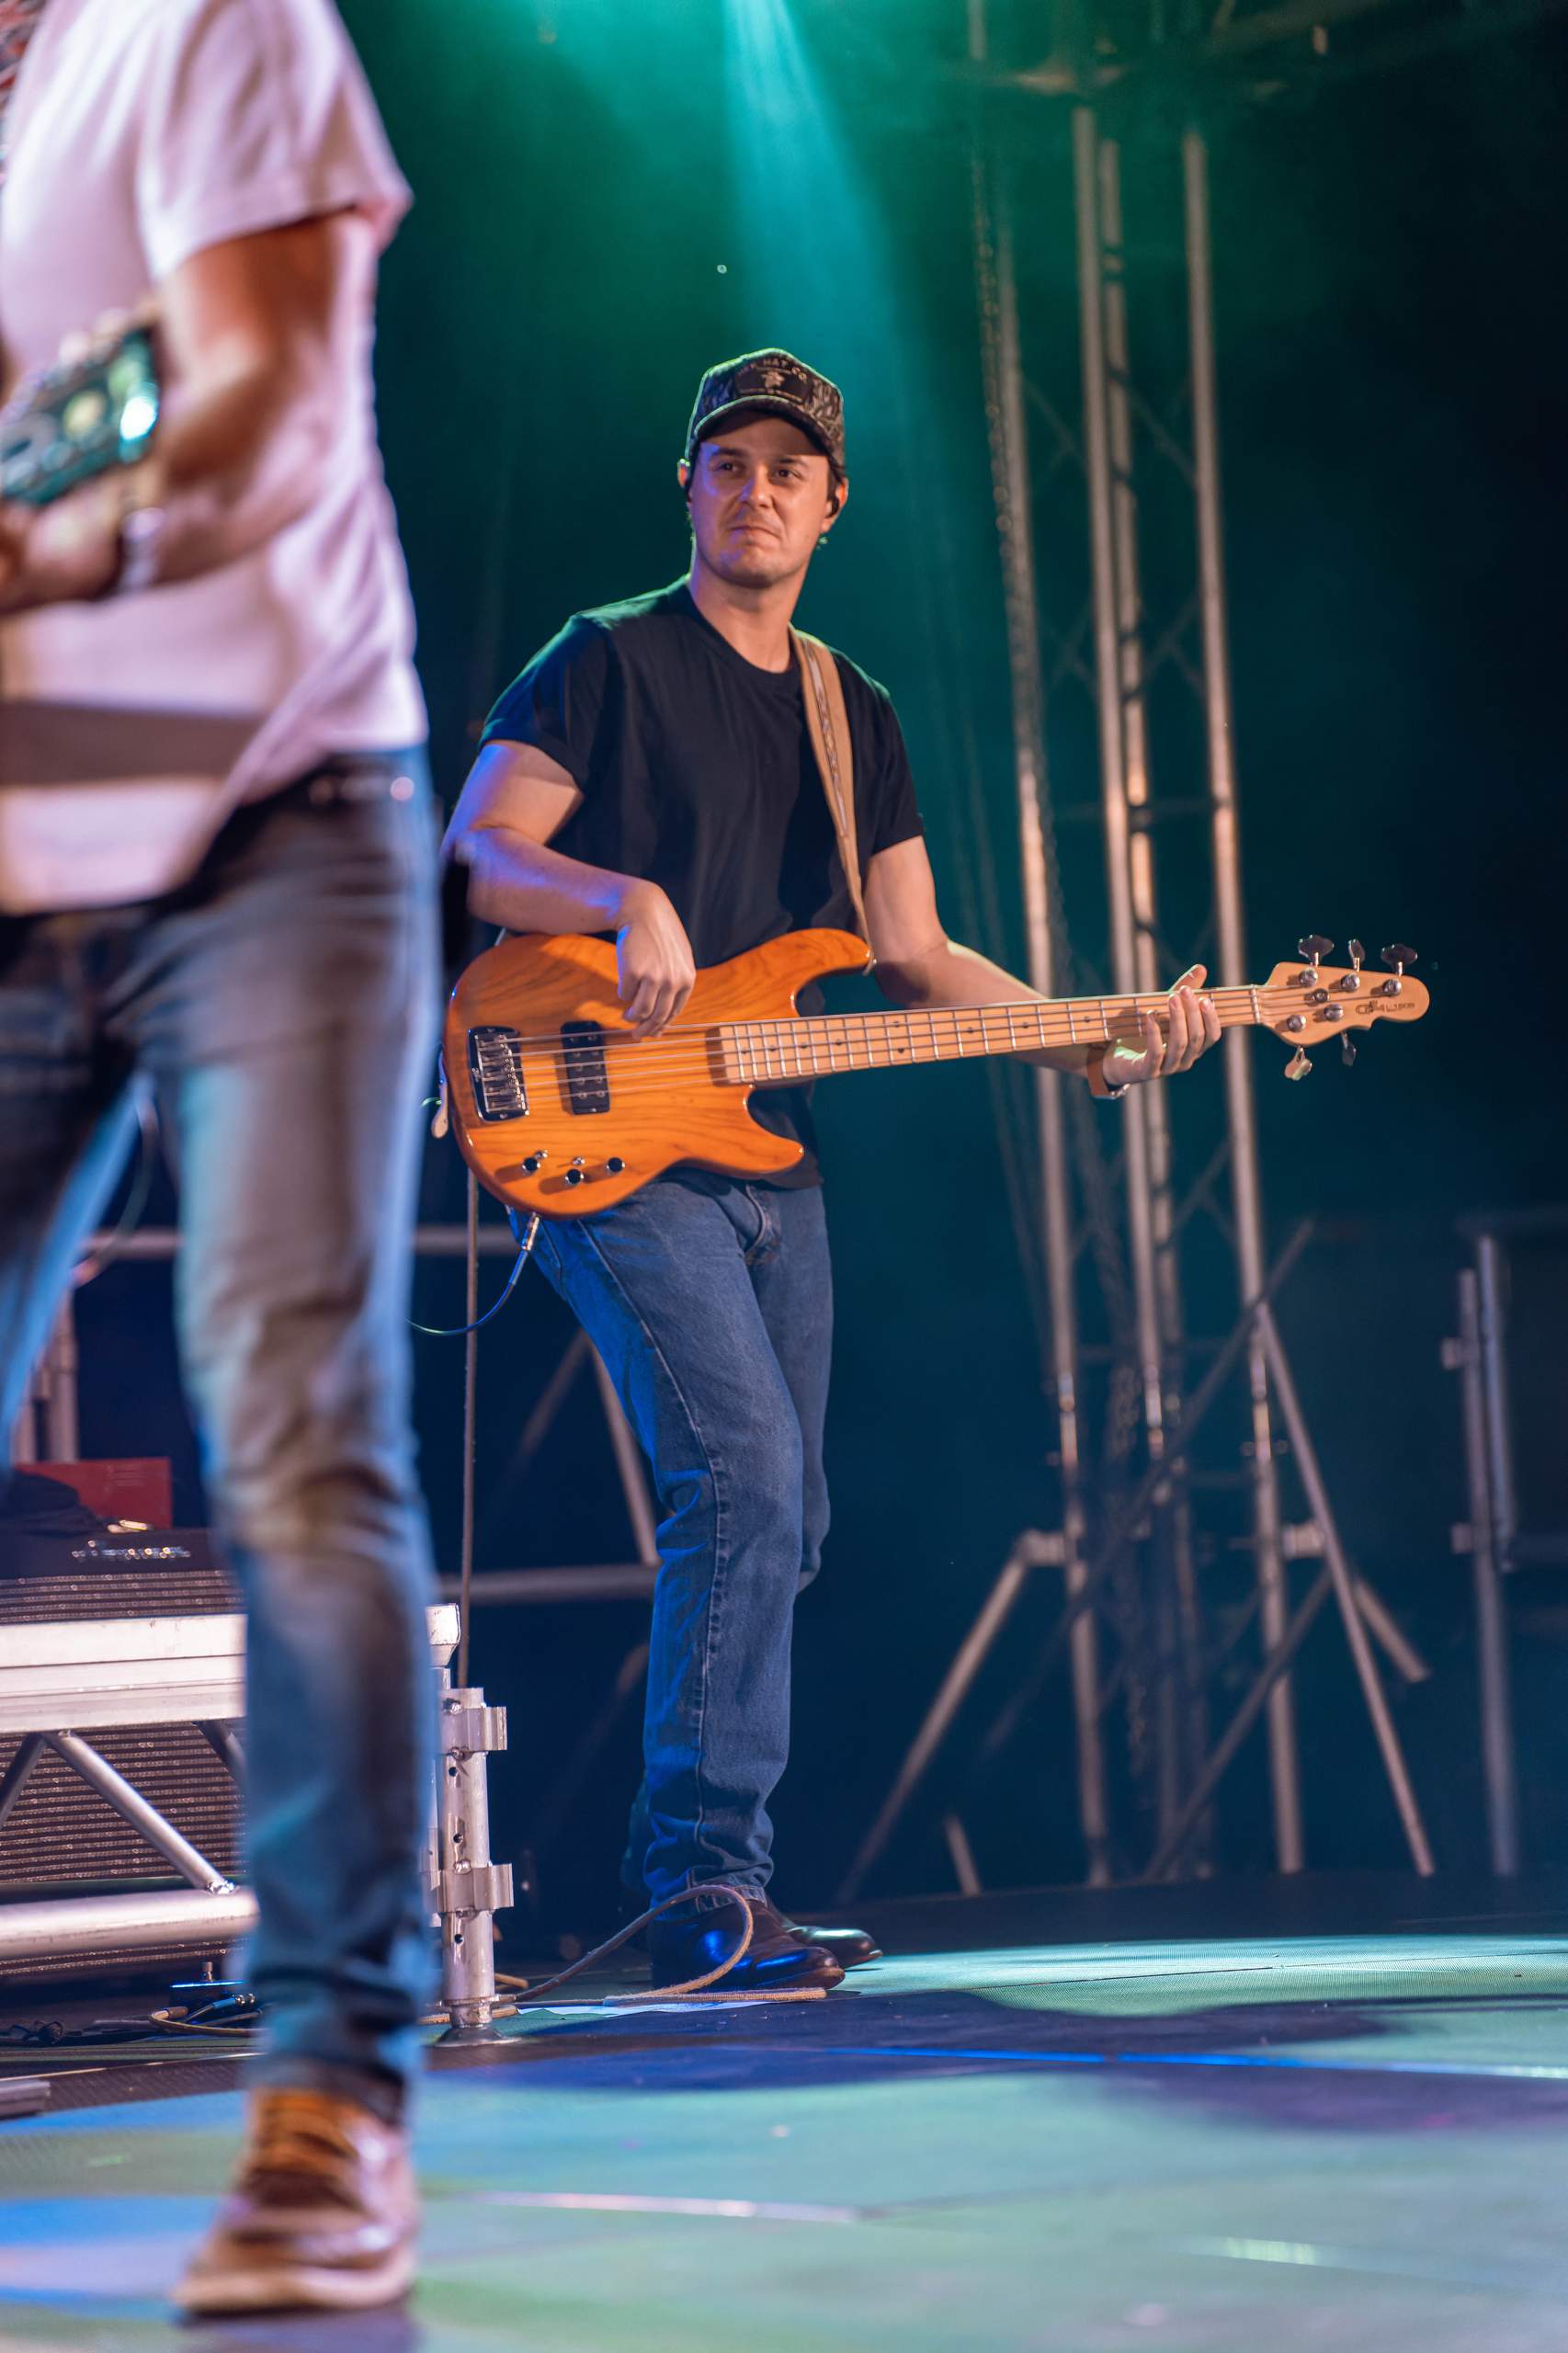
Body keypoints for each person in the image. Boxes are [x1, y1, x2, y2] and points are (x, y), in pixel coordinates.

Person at [443, 348, 1221, 1994]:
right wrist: (614, 899)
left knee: (783, 1526)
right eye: (728, 463)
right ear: (690, 486)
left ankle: (715, 1885)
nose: (757, 491)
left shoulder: (845, 707)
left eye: (788, 470)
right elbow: (482, 850)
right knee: (745, 1483)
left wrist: (1091, 1032)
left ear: (831, 501)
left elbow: (914, 952)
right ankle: (704, 1888)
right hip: (593, 1121)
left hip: (761, 1154)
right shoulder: (605, 658)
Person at [0, 0, 438, 2316]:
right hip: (13, 848)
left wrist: (50, 540)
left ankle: (330, 2093)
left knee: (285, 1425)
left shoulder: (199, 21)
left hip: (278, 816)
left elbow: (258, 388)